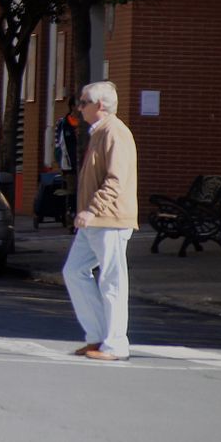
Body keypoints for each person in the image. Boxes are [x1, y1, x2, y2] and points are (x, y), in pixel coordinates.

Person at [61, 81, 138, 362]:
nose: (78, 107)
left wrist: (91, 209)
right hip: (95, 221)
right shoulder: (99, 133)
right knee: (74, 271)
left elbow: (116, 180)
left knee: (112, 281)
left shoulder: (115, 133)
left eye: (83, 102)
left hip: (110, 219)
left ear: (100, 106)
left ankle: (116, 344)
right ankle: (97, 336)